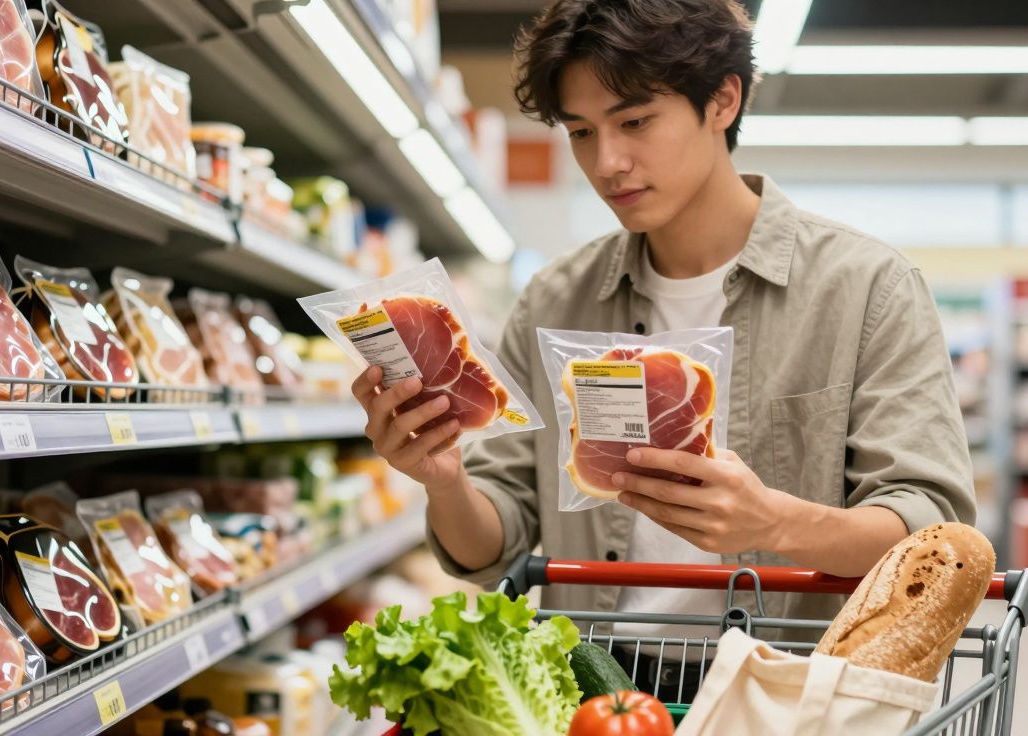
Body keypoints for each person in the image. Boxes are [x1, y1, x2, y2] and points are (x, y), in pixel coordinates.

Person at [350, 0, 975, 696]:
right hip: (594, 687)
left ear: (723, 100)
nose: (607, 162)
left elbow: (930, 528)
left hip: (785, 692)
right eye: (582, 132)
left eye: (635, 121)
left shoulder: (866, 290)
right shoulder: (555, 300)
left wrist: (775, 520)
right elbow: (494, 542)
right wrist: (445, 482)